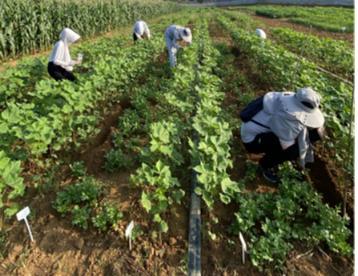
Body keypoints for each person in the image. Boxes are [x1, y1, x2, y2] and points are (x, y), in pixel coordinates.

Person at [240, 87, 325, 183]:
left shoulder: (286, 99)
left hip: (255, 128)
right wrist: (312, 138)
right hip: (252, 140)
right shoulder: (285, 116)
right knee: (290, 151)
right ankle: (264, 165)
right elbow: (288, 149)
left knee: (295, 136)